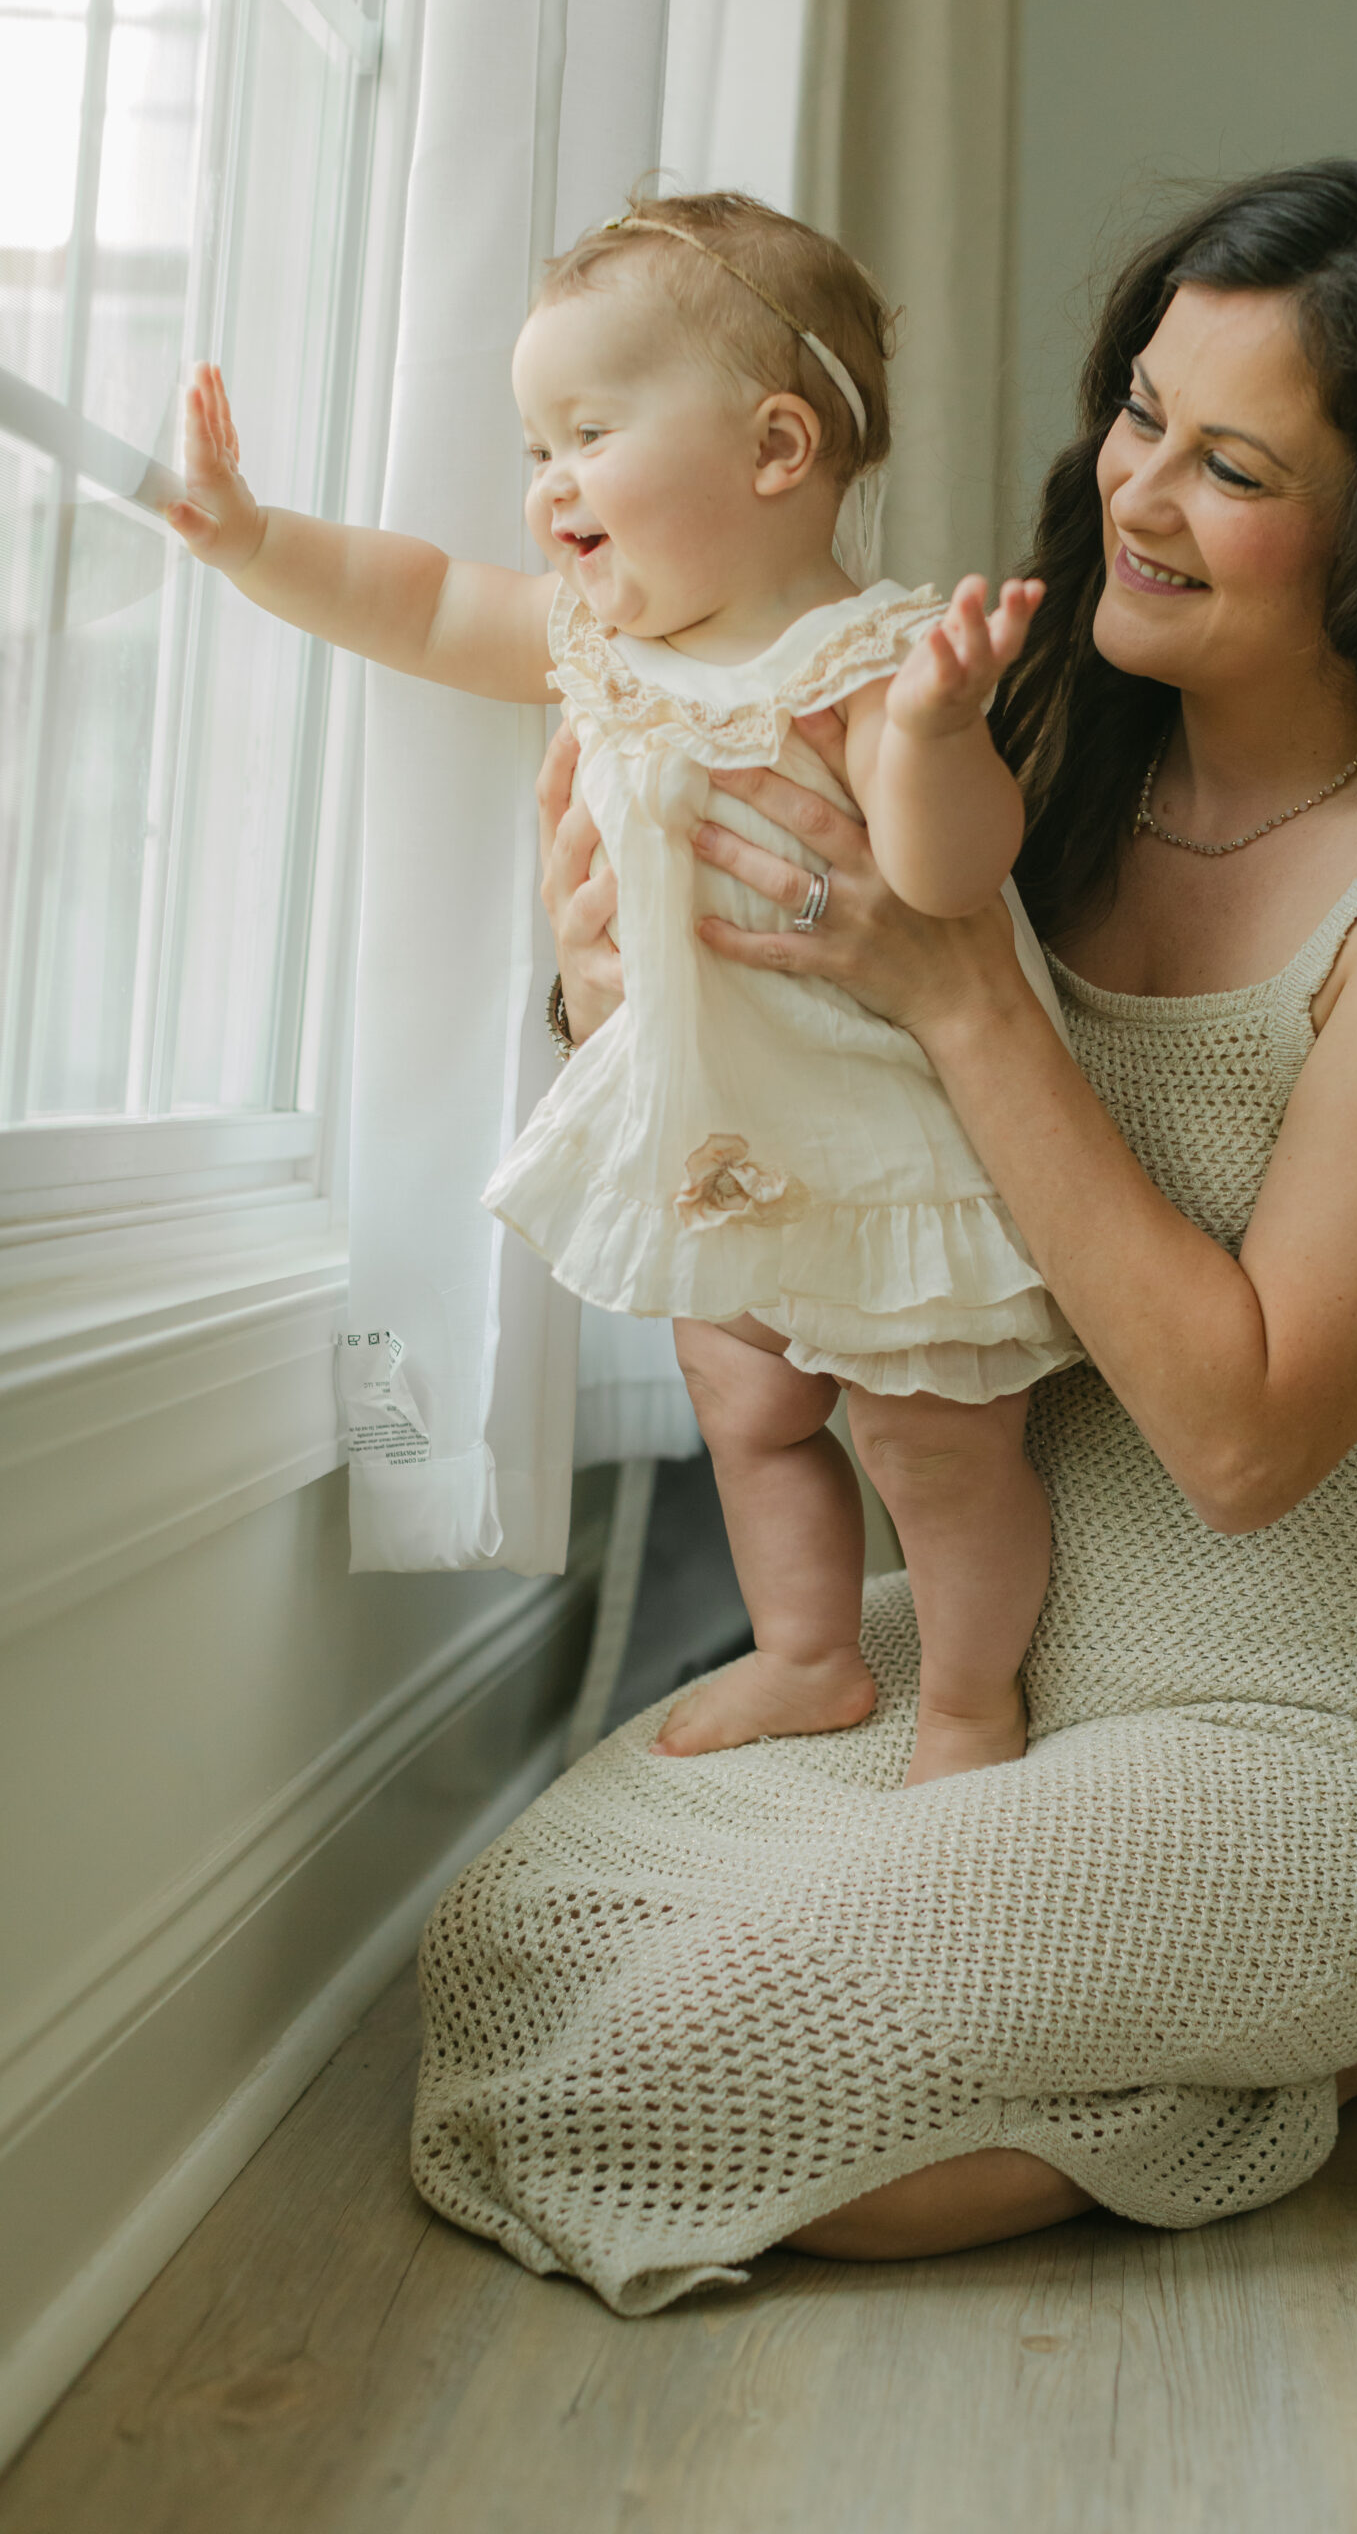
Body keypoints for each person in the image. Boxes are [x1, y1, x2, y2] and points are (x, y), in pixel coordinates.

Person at [414, 158, 1357, 2309]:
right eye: (1135, 414)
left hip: (1316, 1745)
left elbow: (1239, 1439)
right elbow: (795, 1099)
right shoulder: (1024, 751)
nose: (1134, 493)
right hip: (994, 1668)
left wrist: (960, 989)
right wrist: (608, 979)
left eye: (1232, 462)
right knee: (495, 1945)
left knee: (665, 2086)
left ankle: (1295, 2058)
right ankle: (1198, 2037)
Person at [166, 191, 1082, 1787]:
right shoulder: (602, 642)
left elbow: (946, 880)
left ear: (775, 450)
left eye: (585, 433)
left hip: (885, 1140)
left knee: (931, 1444)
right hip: (719, 1135)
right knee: (745, 1405)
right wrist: (256, 542)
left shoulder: (865, 660)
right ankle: (804, 1653)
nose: (547, 487)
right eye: (535, 447)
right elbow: (422, 600)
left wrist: (937, 734)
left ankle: (966, 1698)